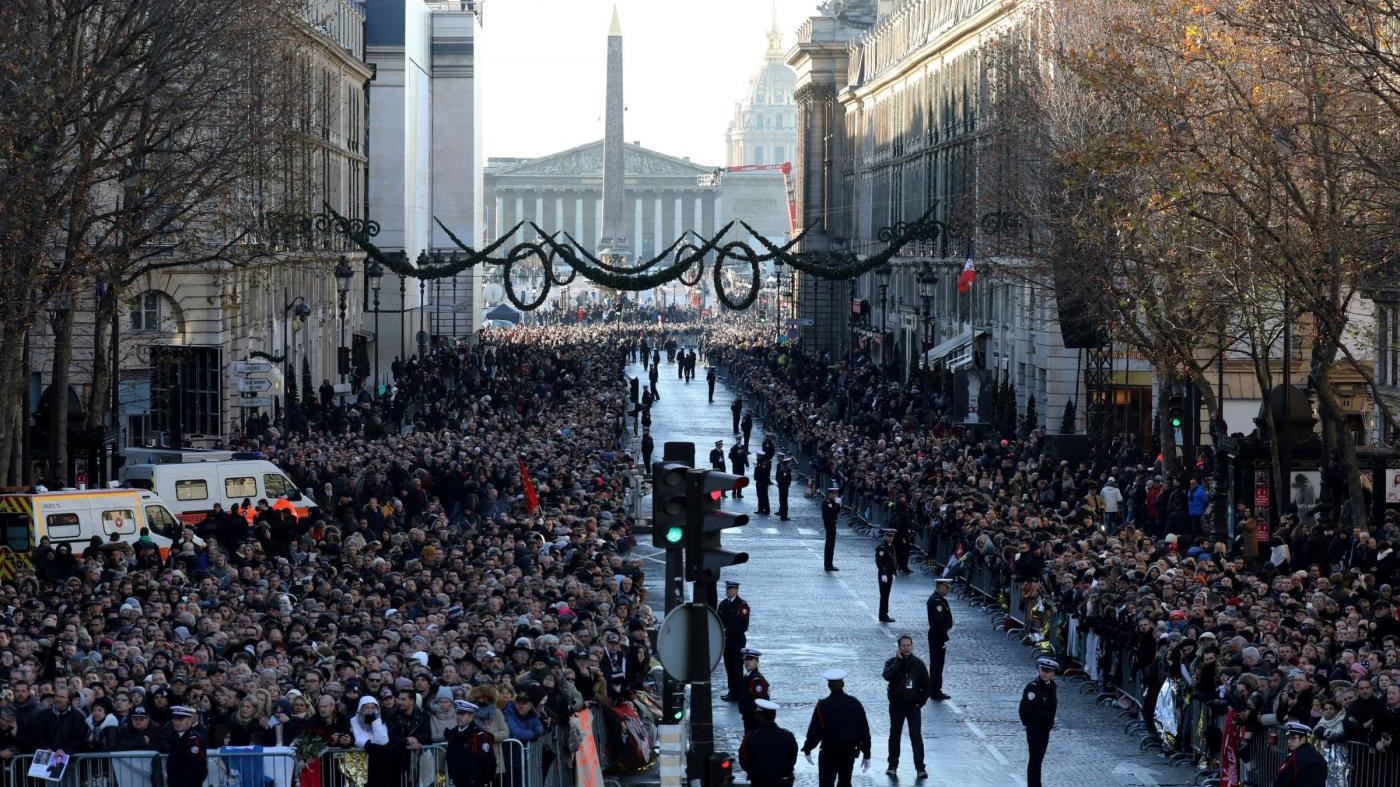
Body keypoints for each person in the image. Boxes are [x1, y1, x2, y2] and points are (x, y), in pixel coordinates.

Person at [801, 669, 871, 787]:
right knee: (845, 782)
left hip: (828, 751)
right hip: (849, 751)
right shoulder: (855, 704)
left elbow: (815, 731)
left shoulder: (822, 705)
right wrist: (867, 753)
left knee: (826, 783)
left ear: (829, 686)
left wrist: (808, 748)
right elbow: (864, 730)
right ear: (843, 684)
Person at [882, 635, 930, 779]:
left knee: (916, 737)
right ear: (899, 647)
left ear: (912, 646)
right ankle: (892, 766)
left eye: (908, 645)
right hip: (896, 706)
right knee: (894, 736)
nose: (906, 648)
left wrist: (920, 702)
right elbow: (887, 676)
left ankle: (920, 768)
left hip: (913, 707)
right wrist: (898, 661)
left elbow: (927, 686)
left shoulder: (919, 664)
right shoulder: (892, 662)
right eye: (904, 645)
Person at [1019, 657, 1059, 787]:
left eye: (1048, 671)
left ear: (1053, 673)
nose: (1045, 673)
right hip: (1035, 729)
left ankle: (1036, 783)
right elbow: (1024, 709)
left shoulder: (1052, 686)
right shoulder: (1033, 687)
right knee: (1035, 759)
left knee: (1039, 758)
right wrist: (1030, 724)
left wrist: (1050, 723)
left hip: (1045, 729)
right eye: (1043, 670)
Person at [740, 699, 798, 787]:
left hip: (759, 781)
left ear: (759, 716)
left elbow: (744, 761)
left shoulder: (750, 737)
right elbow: (792, 759)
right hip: (782, 782)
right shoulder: (788, 736)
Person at [444, 700, 496, 787]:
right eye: (458, 714)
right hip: (457, 781)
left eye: (463, 714)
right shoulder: (453, 733)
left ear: (471, 716)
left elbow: (488, 761)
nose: (459, 717)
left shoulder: (479, 735)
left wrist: (482, 780)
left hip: (475, 782)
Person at [717, 581, 750, 702]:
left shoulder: (742, 605)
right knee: (729, 667)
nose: (728, 591)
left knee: (736, 667)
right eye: (727, 589)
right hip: (726, 641)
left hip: (737, 641)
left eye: (731, 589)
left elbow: (743, 626)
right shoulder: (723, 604)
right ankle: (732, 692)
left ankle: (739, 693)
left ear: (736, 590)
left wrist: (727, 630)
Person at [163, 705, 207, 787]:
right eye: (175, 719)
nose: (177, 722)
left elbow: (198, 767)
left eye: (181, 719)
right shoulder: (175, 736)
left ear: (190, 720)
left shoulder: (194, 739)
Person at [1274, 720, 1327, 787]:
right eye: (1288, 738)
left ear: (1303, 739)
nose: (1289, 741)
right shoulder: (1318, 756)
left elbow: (1280, 782)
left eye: (1293, 738)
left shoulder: (1293, 758)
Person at [926, 578, 953, 700]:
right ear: (941, 586)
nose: (948, 589)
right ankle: (935, 690)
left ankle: (936, 689)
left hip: (938, 635)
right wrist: (945, 638)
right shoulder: (936, 601)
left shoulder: (939, 599)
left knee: (938, 664)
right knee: (937, 664)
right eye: (947, 587)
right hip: (938, 636)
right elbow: (938, 623)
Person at [735, 648, 771, 733]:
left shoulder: (757, 680)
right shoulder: (748, 676)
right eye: (745, 659)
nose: (747, 662)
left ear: (757, 662)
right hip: (748, 716)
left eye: (750, 659)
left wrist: (749, 710)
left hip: (754, 718)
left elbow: (760, 702)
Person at [876, 529, 898, 623]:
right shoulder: (881, 548)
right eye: (888, 536)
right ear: (884, 536)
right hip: (884, 575)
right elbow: (880, 562)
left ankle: (885, 613)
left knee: (886, 595)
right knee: (884, 595)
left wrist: (893, 572)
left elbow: (893, 561)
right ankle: (883, 615)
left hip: (889, 574)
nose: (890, 538)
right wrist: (884, 573)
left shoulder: (891, 547)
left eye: (892, 536)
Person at [821, 487, 841, 571]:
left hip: (832, 524)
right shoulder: (827, 502)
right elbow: (833, 510)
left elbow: (837, 511)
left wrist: (837, 504)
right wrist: (837, 504)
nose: (835, 495)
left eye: (835, 494)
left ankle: (829, 563)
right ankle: (828, 564)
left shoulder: (832, 502)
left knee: (831, 545)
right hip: (829, 524)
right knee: (829, 545)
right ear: (829, 494)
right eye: (833, 494)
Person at [776, 457, 793, 521]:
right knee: (784, 502)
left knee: (783, 501)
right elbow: (781, 479)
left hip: (783, 488)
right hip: (784, 488)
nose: (790, 464)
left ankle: (783, 515)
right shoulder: (785, 471)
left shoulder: (785, 469)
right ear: (786, 463)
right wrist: (784, 486)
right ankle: (783, 516)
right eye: (789, 463)